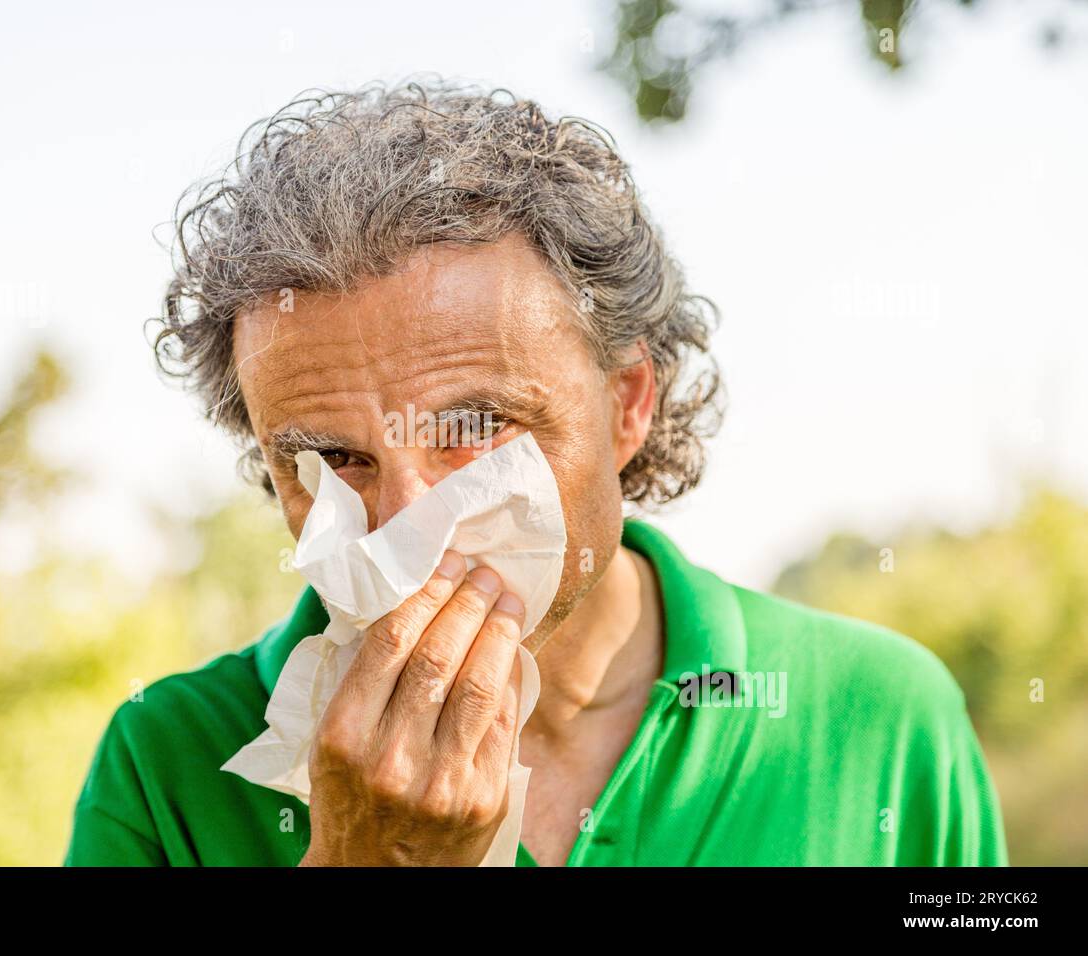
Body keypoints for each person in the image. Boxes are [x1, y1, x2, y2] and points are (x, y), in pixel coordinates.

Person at [65, 80, 1006, 867]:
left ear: (629, 401)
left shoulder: (879, 718)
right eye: (334, 458)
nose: (404, 528)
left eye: (475, 428)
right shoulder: (170, 762)